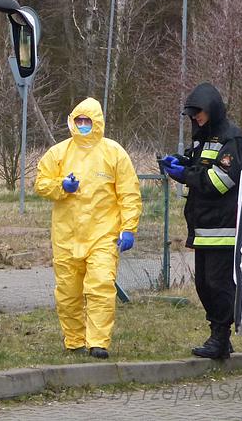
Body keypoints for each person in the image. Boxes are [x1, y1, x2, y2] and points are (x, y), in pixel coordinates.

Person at [35, 97, 142, 359]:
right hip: (66, 236)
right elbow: (41, 183)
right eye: (79, 120)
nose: (83, 125)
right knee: (68, 292)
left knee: (101, 286)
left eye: (87, 121)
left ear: (98, 122)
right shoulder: (59, 153)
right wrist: (62, 185)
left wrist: (128, 228)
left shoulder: (114, 153)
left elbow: (129, 193)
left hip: (103, 235)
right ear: (72, 121)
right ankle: (74, 340)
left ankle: (98, 342)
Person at [160, 83, 242, 359]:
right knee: (204, 286)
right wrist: (182, 163)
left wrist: (184, 175)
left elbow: (221, 181)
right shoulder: (204, 138)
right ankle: (218, 336)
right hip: (204, 226)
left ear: (212, 110)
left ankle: (220, 338)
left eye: (199, 114)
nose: (196, 119)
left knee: (218, 285)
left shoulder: (232, 139)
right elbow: (201, 167)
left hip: (223, 226)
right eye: (193, 116)